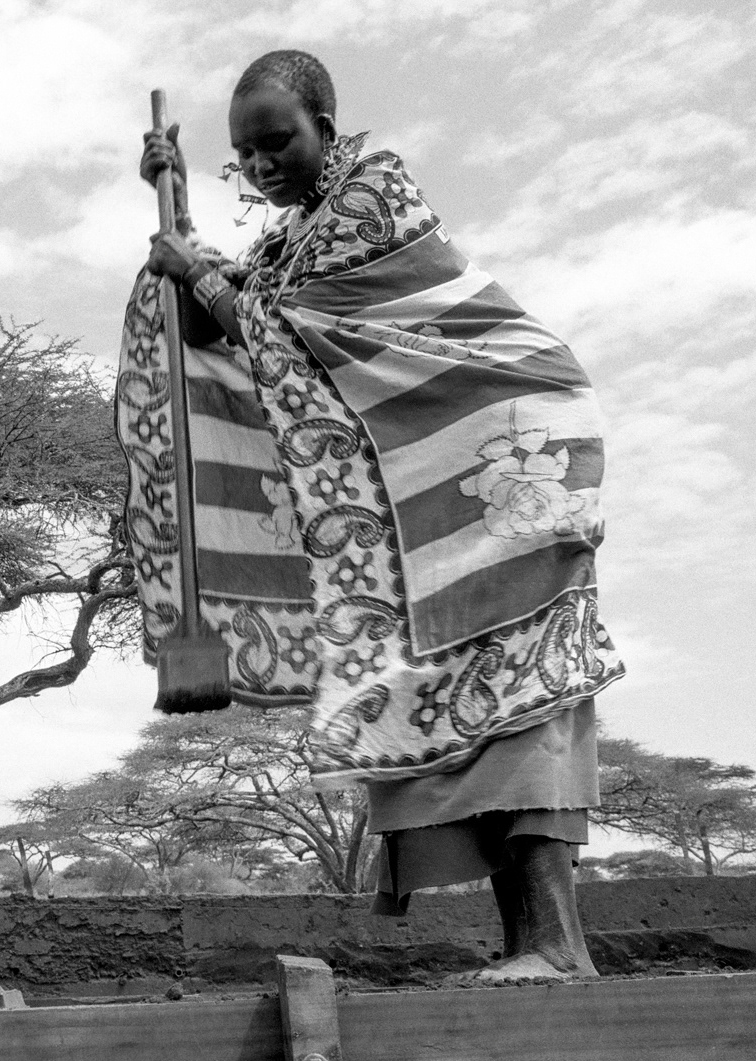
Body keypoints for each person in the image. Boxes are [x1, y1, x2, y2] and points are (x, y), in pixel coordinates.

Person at [125, 52, 624, 981]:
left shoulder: (373, 200)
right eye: (244, 155)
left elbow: (281, 329)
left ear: (327, 122)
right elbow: (222, 320)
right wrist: (181, 218)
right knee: (455, 686)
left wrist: (202, 270)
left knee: (517, 681)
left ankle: (559, 945)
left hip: (506, 443)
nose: (263, 165)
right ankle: (535, 948)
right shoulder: (291, 238)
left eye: (278, 141)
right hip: (429, 488)